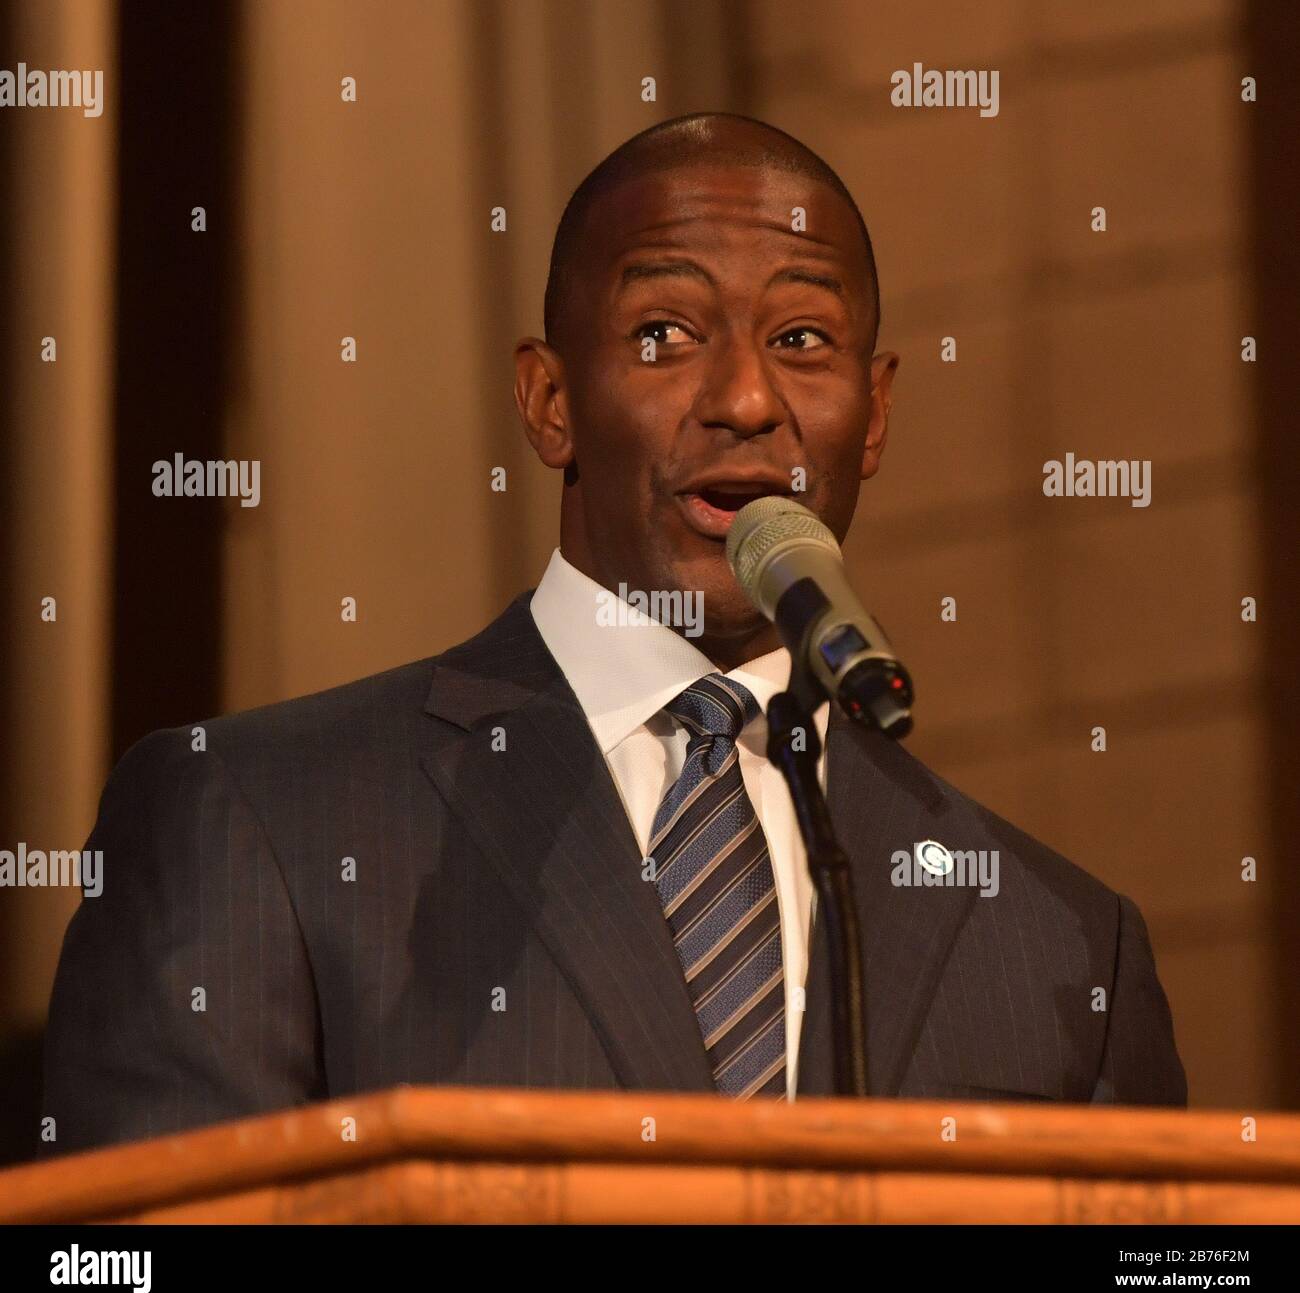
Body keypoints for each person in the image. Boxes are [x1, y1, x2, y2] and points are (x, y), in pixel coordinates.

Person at [42, 112, 1185, 1154]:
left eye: (800, 338)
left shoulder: (1062, 943)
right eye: (663, 332)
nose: (745, 398)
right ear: (548, 402)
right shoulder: (257, 825)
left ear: (874, 412)